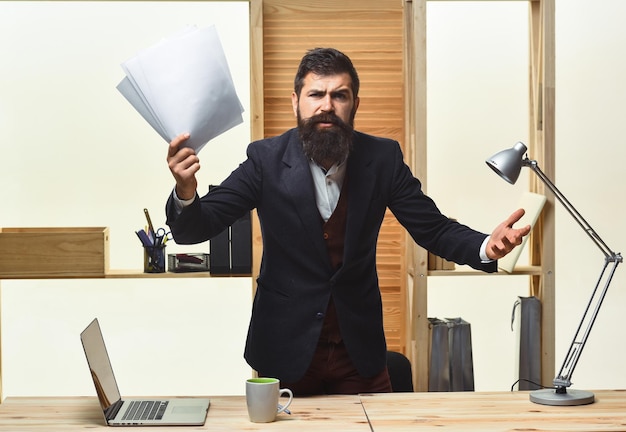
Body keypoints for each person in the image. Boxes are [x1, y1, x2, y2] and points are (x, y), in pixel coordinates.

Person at [165, 47, 530, 396]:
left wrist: (486, 245)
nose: (327, 106)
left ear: (355, 103)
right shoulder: (265, 160)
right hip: (284, 348)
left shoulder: (383, 158)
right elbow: (196, 226)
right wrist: (185, 190)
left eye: (339, 95)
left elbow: (432, 227)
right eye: (316, 94)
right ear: (296, 102)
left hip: (358, 352)